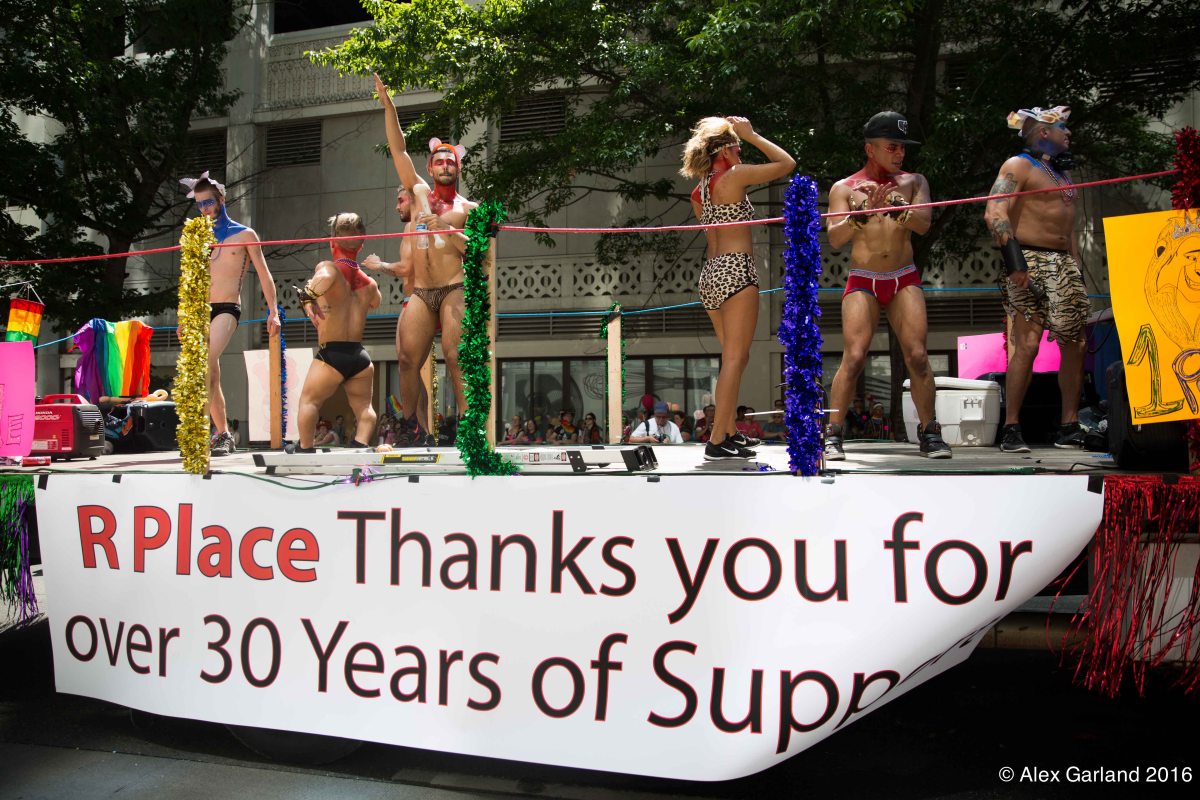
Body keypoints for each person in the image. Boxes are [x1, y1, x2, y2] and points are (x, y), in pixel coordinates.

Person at [825, 111, 951, 460]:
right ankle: (833, 433)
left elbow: (923, 224)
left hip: (903, 275)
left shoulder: (914, 182)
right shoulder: (844, 188)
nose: (900, 153)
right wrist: (863, 213)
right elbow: (835, 237)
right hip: (863, 278)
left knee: (918, 356)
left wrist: (896, 205)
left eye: (902, 147)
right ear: (871, 149)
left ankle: (930, 432)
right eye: (892, 147)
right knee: (854, 356)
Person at [682, 115, 795, 460]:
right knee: (733, 358)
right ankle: (717, 438)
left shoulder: (700, 190)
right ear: (724, 151)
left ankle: (728, 431)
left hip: (711, 275)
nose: (741, 152)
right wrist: (754, 134)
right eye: (738, 147)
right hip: (735, 270)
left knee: (736, 357)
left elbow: (711, 229)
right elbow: (786, 164)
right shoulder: (734, 176)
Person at [373, 74, 477, 443]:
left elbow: (478, 252)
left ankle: (467, 422)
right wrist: (389, 106)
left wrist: (447, 228)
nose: (445, 165)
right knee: (406, 360)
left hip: (453, 287)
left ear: (457, 169)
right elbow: (398, 150)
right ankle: (413, 425)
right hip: (421, 290)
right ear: (430, 169)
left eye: (451, 161)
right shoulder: (417, 193)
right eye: (439, 161)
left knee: (454, 355)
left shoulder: (469, 208)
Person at [984, 105, 1090, 452]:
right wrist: (1015, 262)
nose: (1068, 133)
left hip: (1063, 263)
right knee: (1027, 344)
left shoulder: (1061, 171)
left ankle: (1069, 425)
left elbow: (1068, 228)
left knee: (1076, 344)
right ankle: (1012, 427)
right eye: (1063, 127)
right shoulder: (1018, 165)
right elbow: (994, 211)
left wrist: (1075, 267)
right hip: (1028, 258)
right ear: (1044, 131)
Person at [178, 172, 281, 456]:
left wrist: (273, 311)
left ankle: (197, 434)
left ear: (221, 199)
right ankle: (223, 433)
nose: (204, 209)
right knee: (210, 372)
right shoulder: (196, 237)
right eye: (199, 204)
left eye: (208, 202)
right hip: (199, 310)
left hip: (227, 307)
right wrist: (183, 317)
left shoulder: (245, 234)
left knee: (205, 362)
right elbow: (187, 279)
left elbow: (264, 274)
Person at [289, 213, 381, 453]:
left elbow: (320, 281)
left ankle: (305, 448)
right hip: (360, 357)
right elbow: (376, 302)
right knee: (364, 408)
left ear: (332, 242)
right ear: (361, 246)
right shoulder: (370, 284)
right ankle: (360, 444)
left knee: (309, 401)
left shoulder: (329, 269)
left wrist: (307, 299)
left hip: (332, 354)